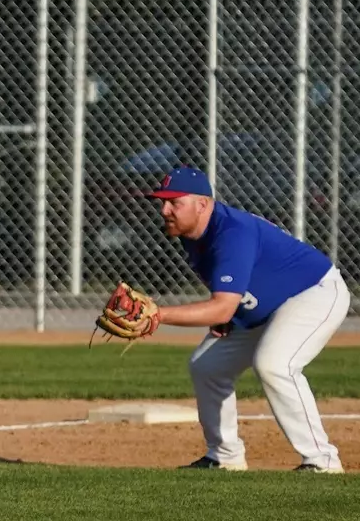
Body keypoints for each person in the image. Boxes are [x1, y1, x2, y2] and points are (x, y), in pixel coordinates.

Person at [143, 166, 349, 472]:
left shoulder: (232, 232)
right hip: (266, 309)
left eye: (174, 202)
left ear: (202, 204)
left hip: (314, 293)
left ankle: (322, 461)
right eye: (163, 201)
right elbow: (230, 294)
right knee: (207, 366)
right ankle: (224, 456)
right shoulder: (192, 232)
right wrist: (229, 314)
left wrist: (158, 315)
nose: (165, 210)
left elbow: (221, 306)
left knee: (275, 364)